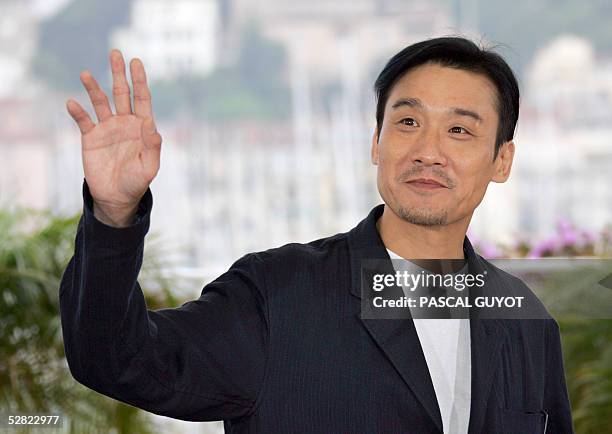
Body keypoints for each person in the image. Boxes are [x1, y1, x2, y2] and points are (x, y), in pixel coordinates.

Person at [59, 37, 574, 433]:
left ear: (501, 160)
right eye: (408, 122)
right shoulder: (276, 294)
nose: (428, 150)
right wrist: (113, 211)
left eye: (459, 130)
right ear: (377, 142)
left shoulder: (525, 321)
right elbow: (117, 360)